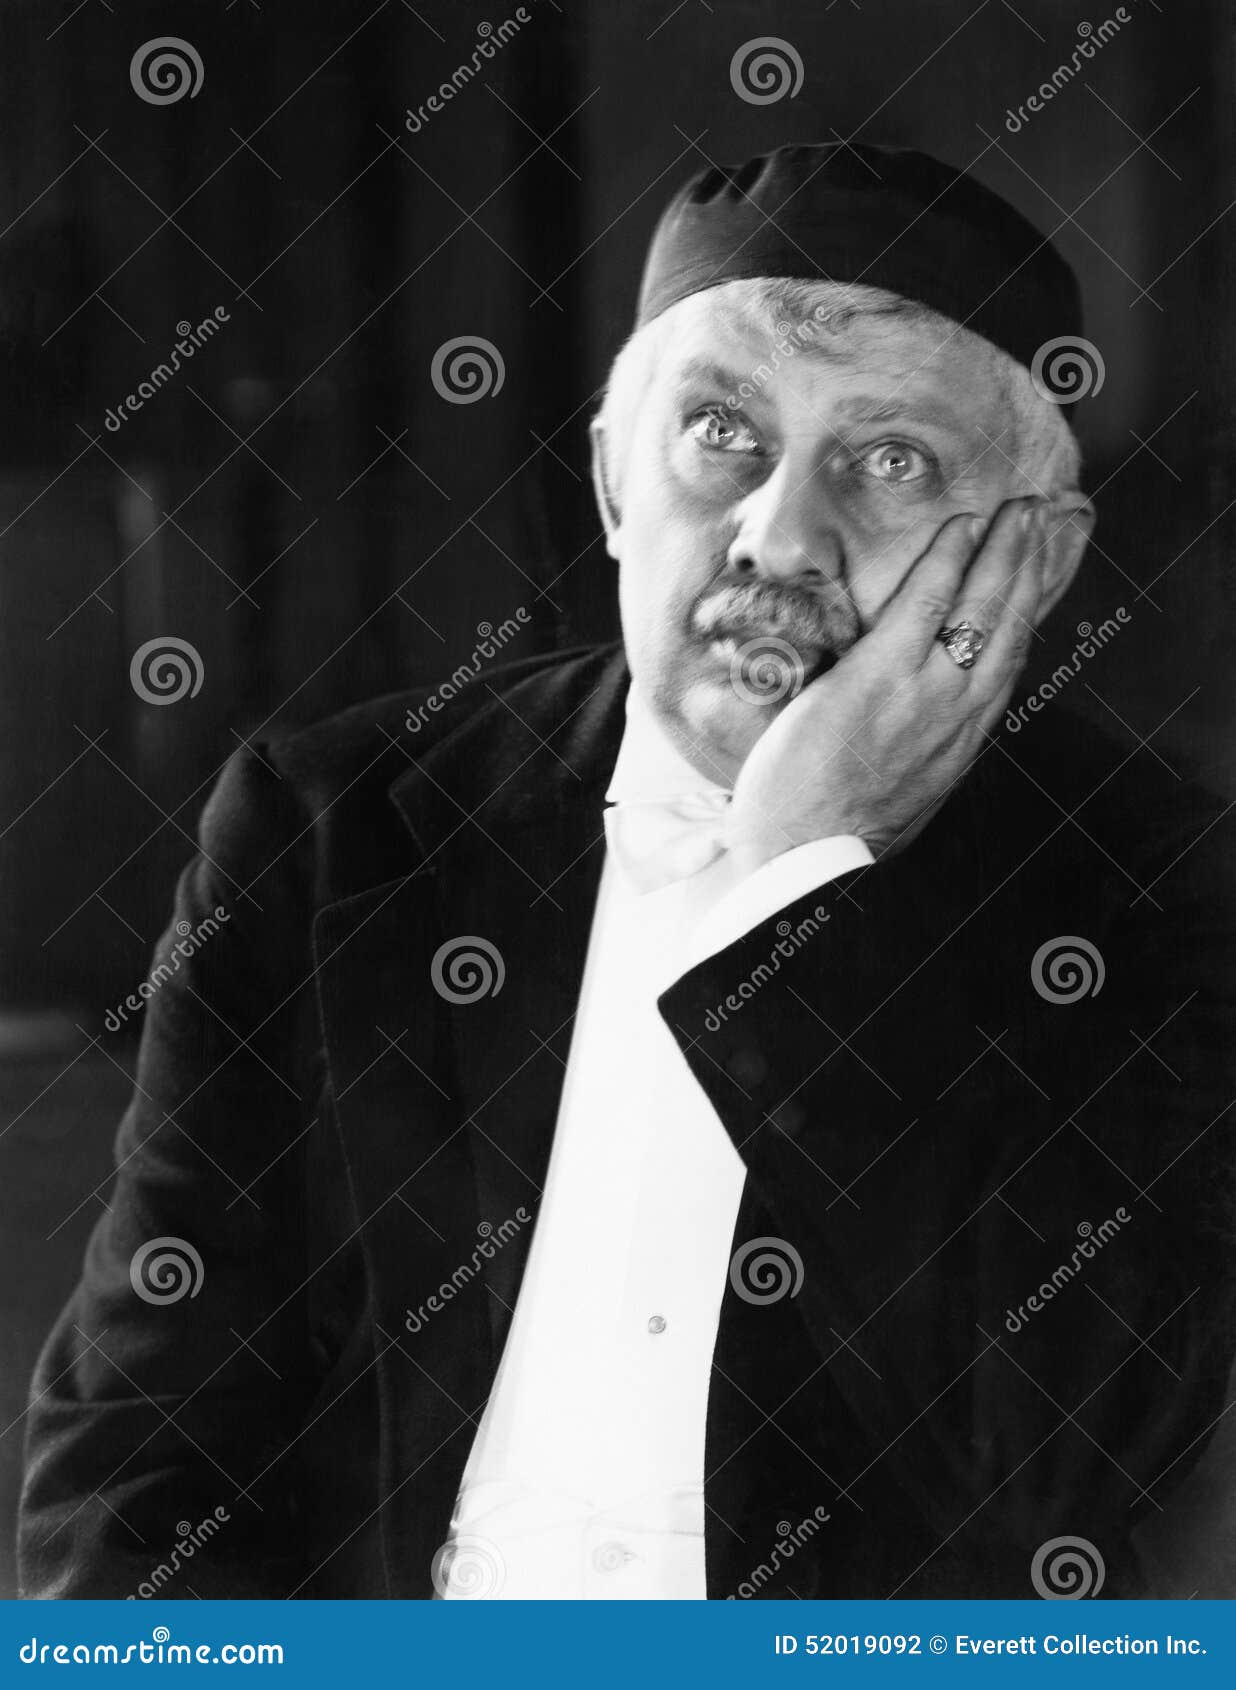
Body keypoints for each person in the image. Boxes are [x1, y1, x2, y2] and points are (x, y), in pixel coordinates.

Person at [19, 142, 1236, 1601]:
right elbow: (133, 1462)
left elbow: (1086, 1485)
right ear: (609, 478)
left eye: (893, 459)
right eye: (722, 430)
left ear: (1029, 566)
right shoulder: (332, 827)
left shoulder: (1160, 893)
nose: (782, 533)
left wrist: (801, 889)